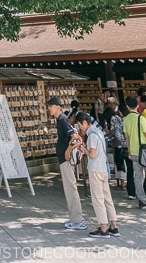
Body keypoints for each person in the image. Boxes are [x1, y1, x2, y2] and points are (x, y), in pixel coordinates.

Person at [75, 112, 119, 238]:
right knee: (107, 198)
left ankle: (103, 227)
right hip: (104, 169)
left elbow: (92, 154)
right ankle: (113, 225)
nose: (79, 128)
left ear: (85, 122)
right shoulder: (99, 131)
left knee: (98, 199)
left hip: (96, 169)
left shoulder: (92, 135)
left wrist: (82, 147)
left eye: (80, 125)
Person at [46, 96, 86, 230]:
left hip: (66, 159)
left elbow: (74, 138)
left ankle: (77, 220)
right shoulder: (60, 120)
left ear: (57, 106)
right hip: (64, 159)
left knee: (71, 188)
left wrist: (68, 152)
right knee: (69, 188)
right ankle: (75, 218)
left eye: (50, 106)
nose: (49, 109)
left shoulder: (63, 120)